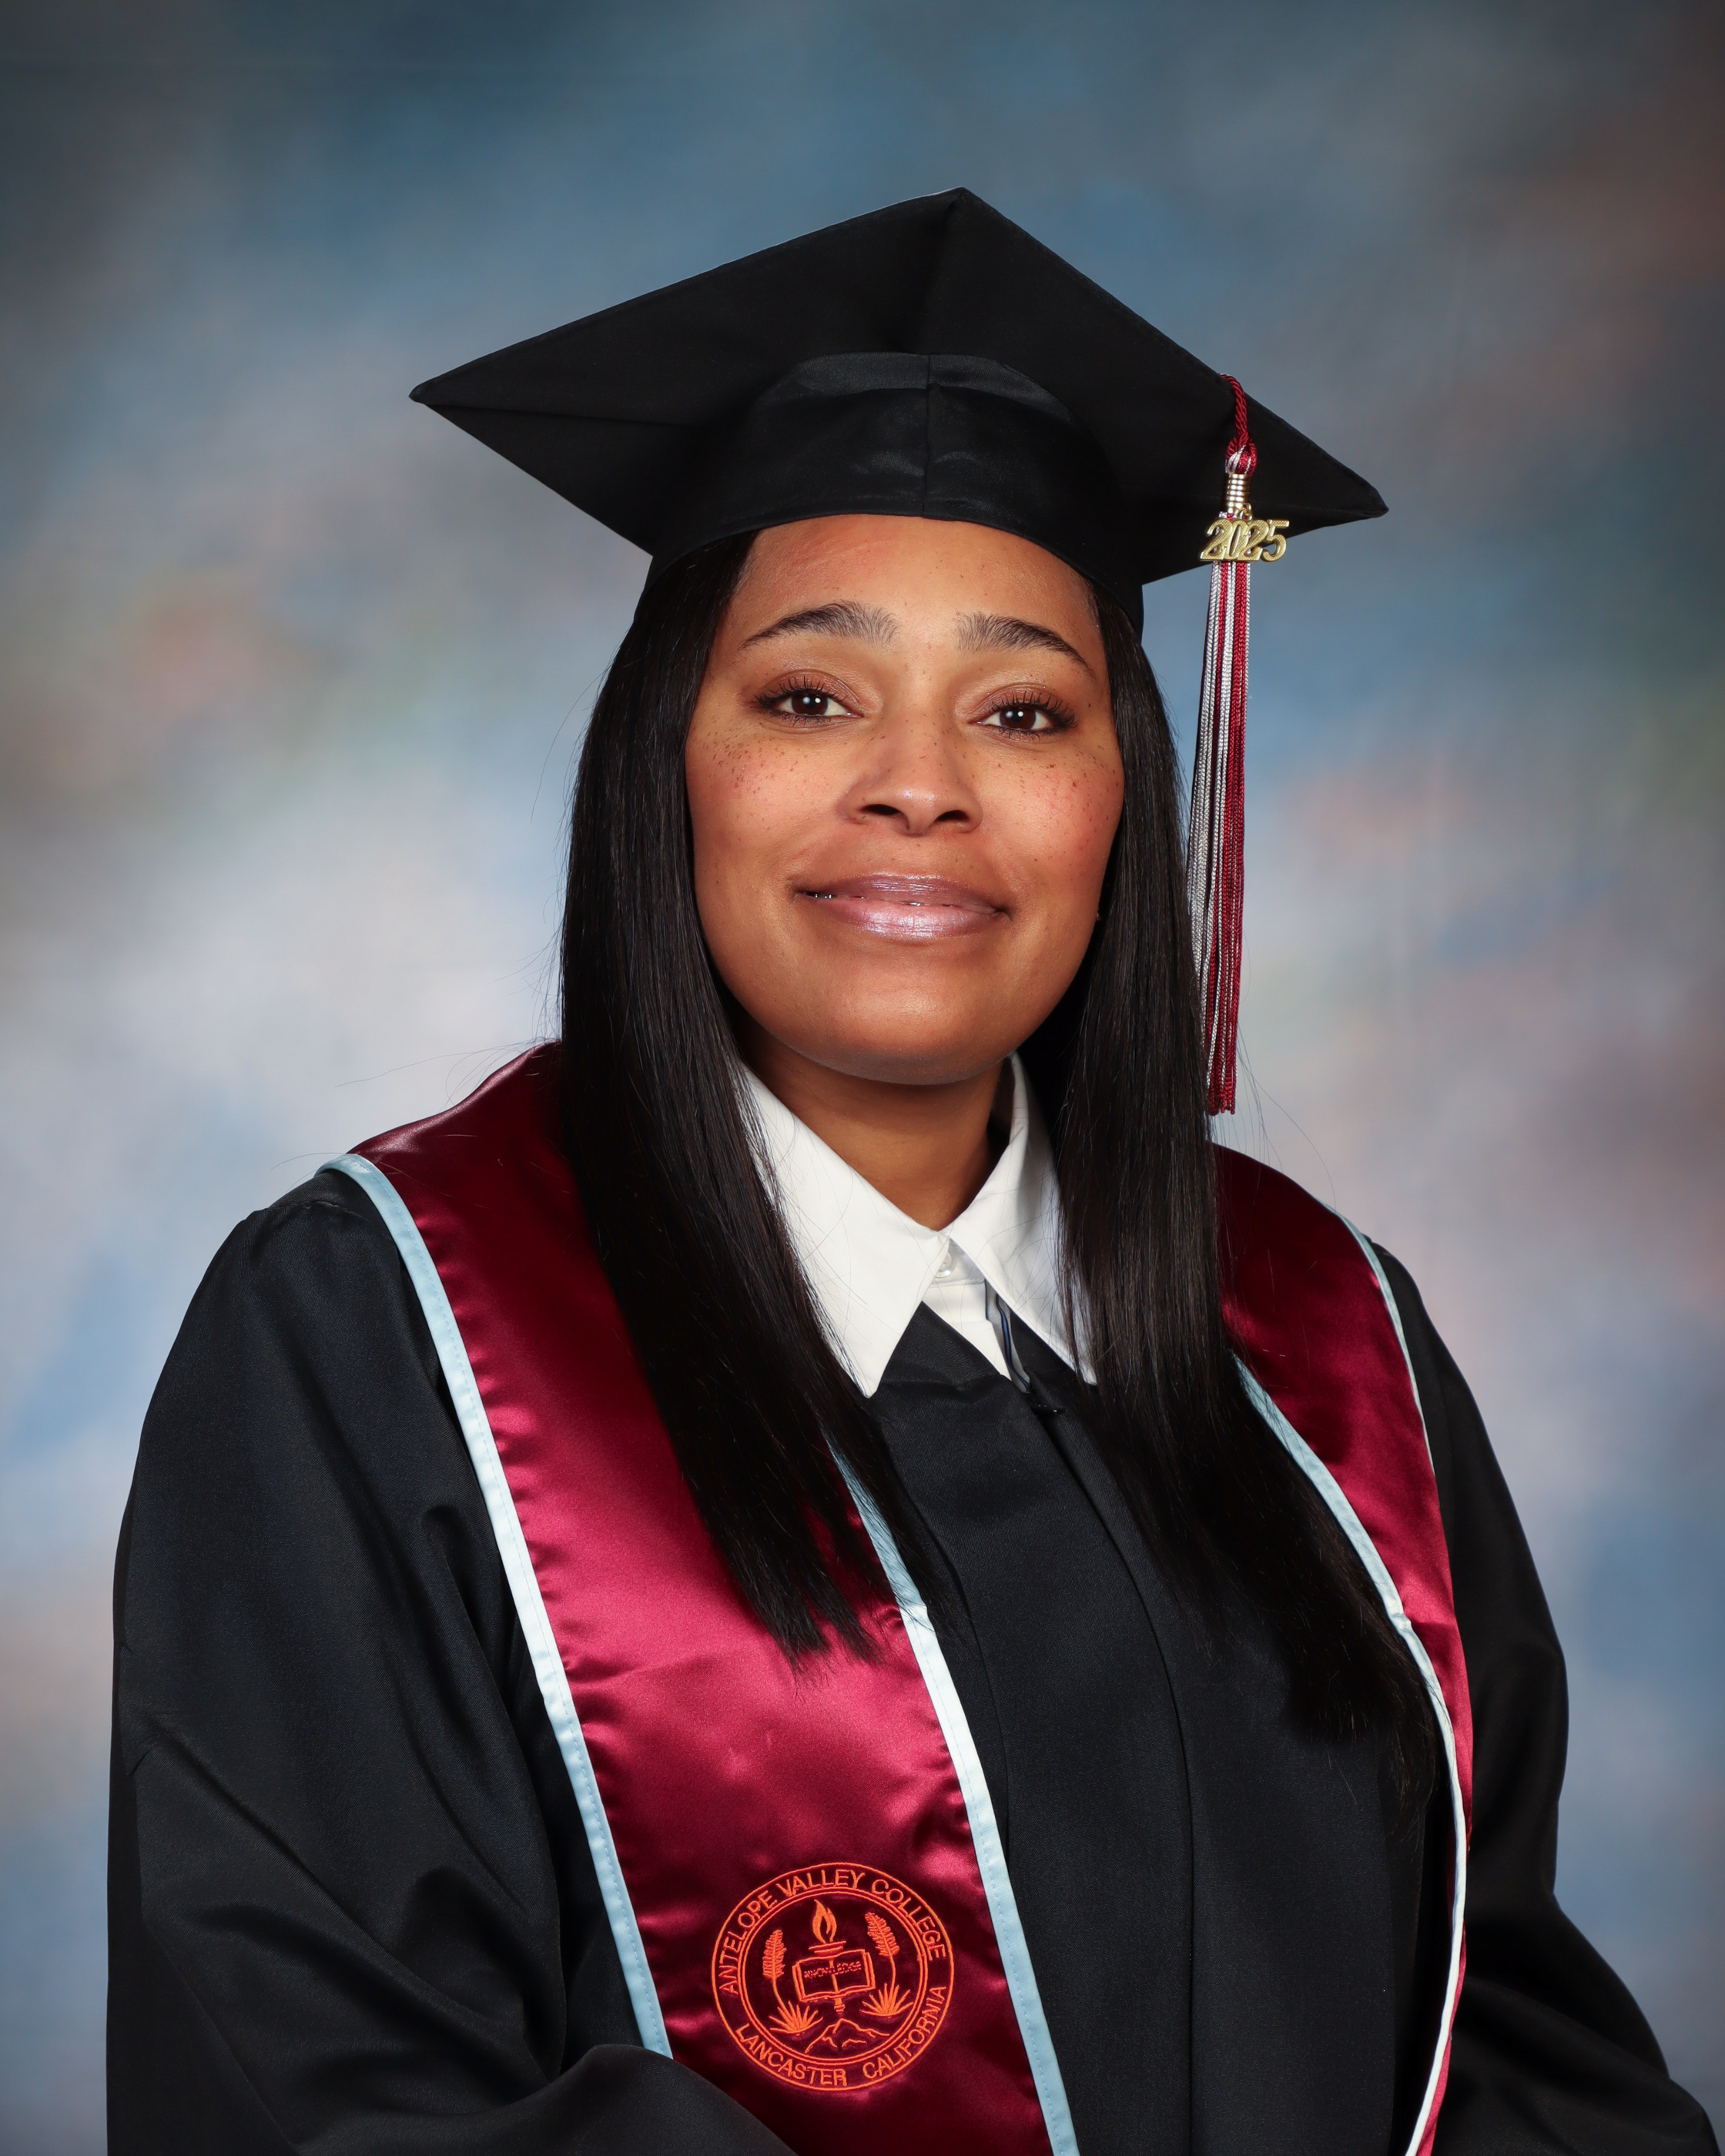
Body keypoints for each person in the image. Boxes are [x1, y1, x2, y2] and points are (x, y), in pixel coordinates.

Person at [108, 190, 1716, 2156]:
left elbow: (1514, 2048)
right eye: (809, 694)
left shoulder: (1333, 1344)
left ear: (1120, 795)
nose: (920, 782)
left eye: (1023, 709)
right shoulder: (378, 1334)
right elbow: (314, 2092)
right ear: (666, 759)